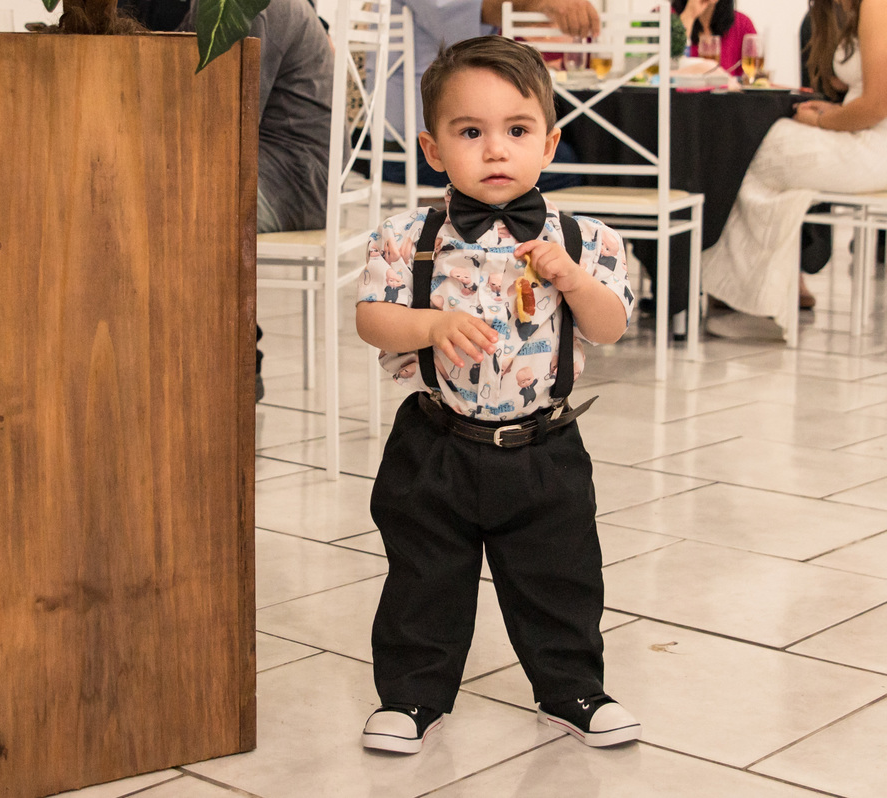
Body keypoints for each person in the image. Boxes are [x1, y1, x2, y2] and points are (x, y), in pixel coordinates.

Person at [354, 35, 639, 754]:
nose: (495, 150)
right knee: (424, 575)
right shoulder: (405, 237)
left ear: (549, 145)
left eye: (516, 131)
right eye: (469, 132)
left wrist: (573, 279)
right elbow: (370, 319)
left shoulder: (586, 238)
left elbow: (609, 328)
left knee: (561, 574)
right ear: (432, 148)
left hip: (544, 445)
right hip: (436, 441)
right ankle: (413, 696)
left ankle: (572, 690)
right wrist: (431, 321)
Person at [116, 0, 335, 399]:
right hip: (247, 157)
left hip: (296, 177)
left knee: (177, 198)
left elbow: (219, 114)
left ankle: (228, 368)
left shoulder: (250, 7)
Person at [702, 0, 887, 338]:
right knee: (773, 161)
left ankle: (752, 301)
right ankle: (761, 299)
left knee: (756, 150)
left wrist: (823, 119)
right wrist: (829, 111)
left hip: (876, 146)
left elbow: (877, 105)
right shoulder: (835, 11)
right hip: (859, 132)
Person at [374, 0, 600, 191]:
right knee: (576, 165)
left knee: (567, 151)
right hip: (406, 152)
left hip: (420, 143)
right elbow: (477, 11)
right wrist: (540, 3)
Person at [671, 0, 757, 76]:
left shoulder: (742, 24)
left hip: (726, 94)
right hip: (681, 94)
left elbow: (752, 78)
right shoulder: (663, 16)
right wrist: (689, 15)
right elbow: (670, 67)